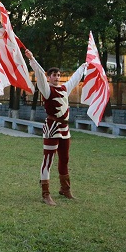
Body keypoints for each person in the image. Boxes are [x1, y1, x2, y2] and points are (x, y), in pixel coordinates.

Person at [25, 49, 86, 206]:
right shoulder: (47, 89)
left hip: (64, 128)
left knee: (64, 159)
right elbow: (39, 74)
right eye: (54, 75)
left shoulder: (64, 88)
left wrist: (85, 66)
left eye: (58, 75)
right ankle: (45, 193)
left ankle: (65, 189)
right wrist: (32, 59)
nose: (57, 77)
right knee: (48, 160)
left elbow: (75, 78)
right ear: (49, 77)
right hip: (52, 127)